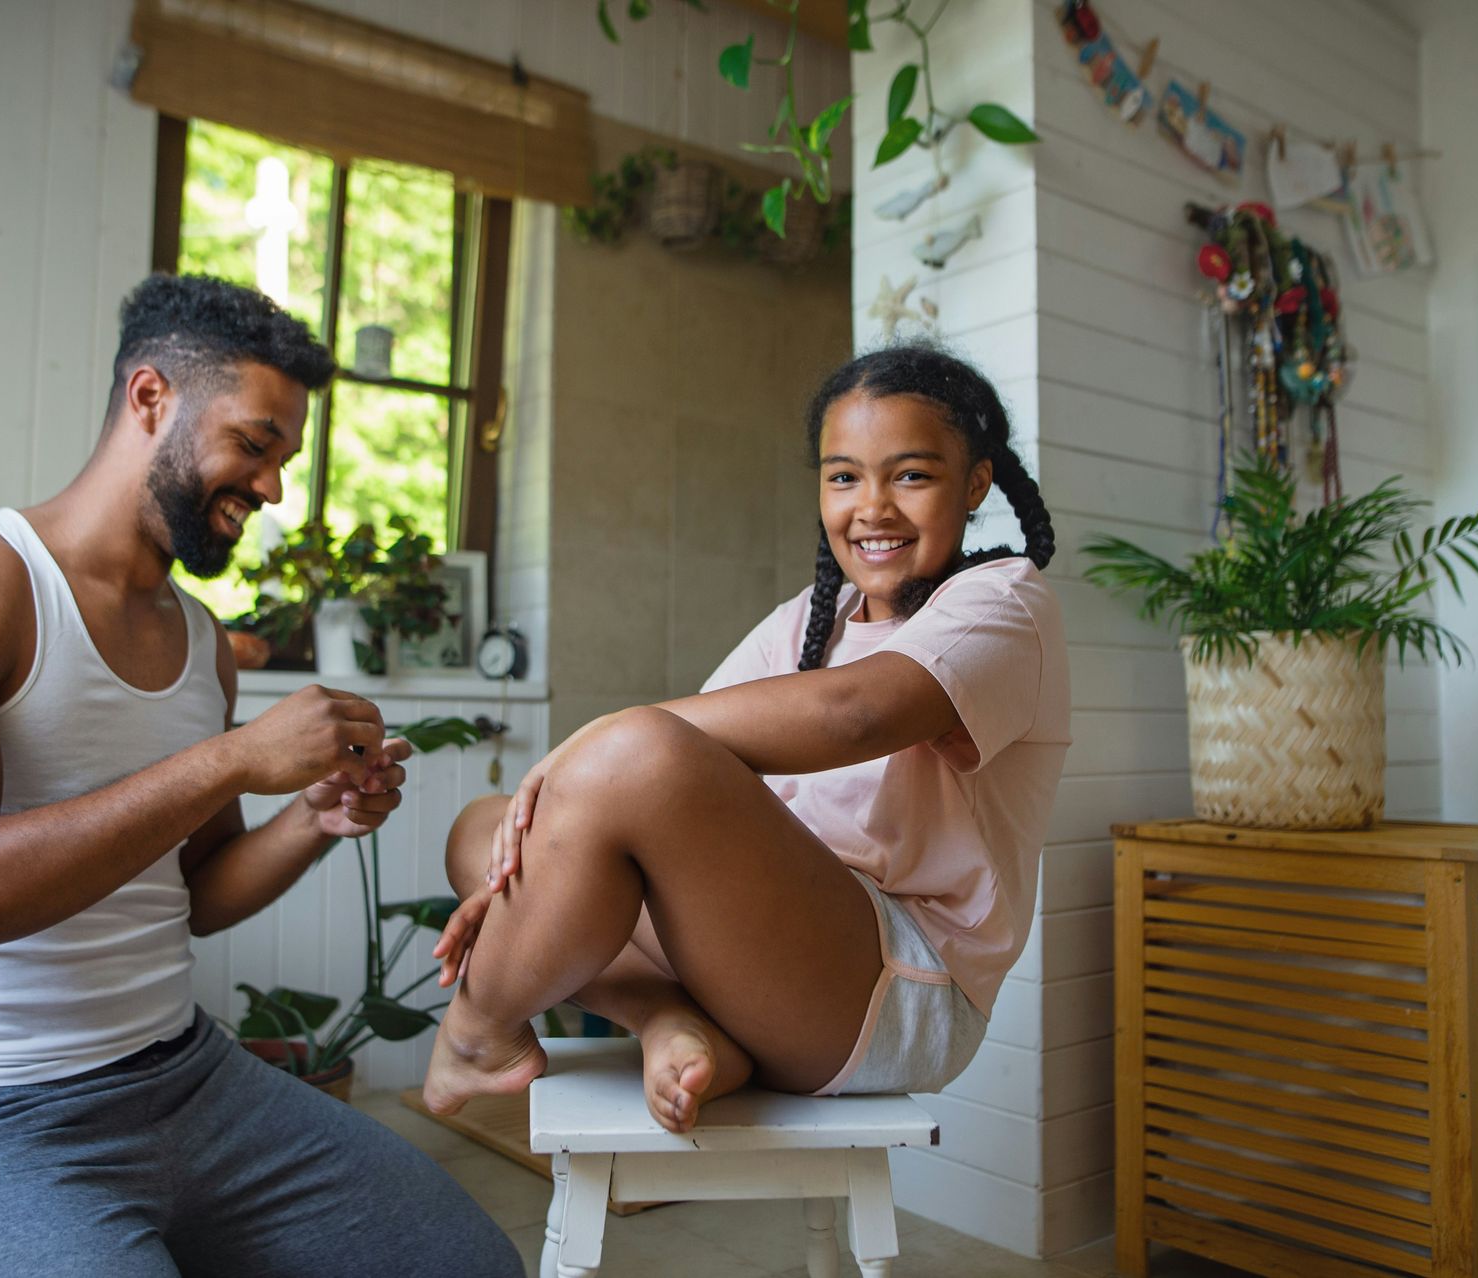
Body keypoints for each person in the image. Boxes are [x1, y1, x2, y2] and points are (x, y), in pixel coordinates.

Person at [0, 273, 521, 1277]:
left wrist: (309, 817)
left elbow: (195, 897)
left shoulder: (200, 641)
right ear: (151, 398)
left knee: (471, 1265)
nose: (273, 487)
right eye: (255, 443)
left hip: (194, 1084)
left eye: (284, 458)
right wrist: (231, 760)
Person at [424, 343, 1069, 1133]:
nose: (872, 507)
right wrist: (547, 850)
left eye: (910, 475)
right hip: (769, 957)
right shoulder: (812, 618)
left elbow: (851, 715)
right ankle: (670, 1018)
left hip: (898, 990)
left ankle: (477, 1031)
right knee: (487, 834)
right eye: (843, 476)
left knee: (627, 759)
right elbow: (666, 779)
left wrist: (591, 746)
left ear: (975, 484)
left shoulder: (1003, 602)